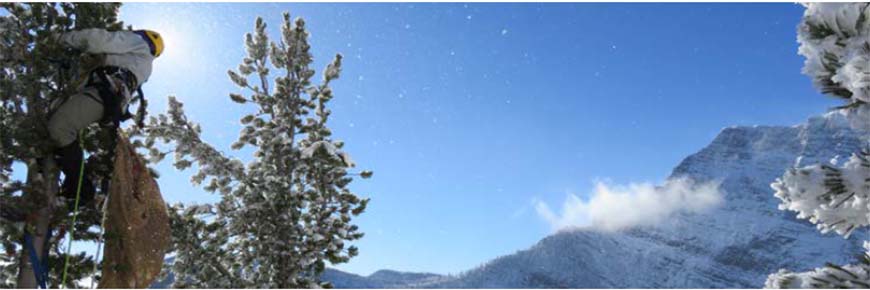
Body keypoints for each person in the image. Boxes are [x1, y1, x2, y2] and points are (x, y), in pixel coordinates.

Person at [47, 28, 164, 209]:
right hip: (110, 100)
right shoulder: (142, 65)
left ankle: (81, 189)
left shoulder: (139, 43)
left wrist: (61, 38)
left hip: (104, 92)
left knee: (61, 127)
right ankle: (73, 187)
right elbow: (110, 60)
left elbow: (100, 40)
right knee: (63, 127)